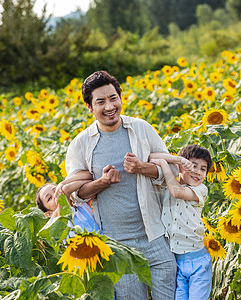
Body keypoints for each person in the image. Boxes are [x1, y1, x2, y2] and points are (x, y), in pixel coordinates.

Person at [64, 70, 176, 300]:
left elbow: (171, 172)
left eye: (113, 98)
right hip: (116, 245)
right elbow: (75, 195)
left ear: (120, 98)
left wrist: (142, 168)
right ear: (89, 107)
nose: (109, 106)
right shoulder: (81, 144)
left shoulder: (141, 128)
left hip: (155, 235)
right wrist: (102, 182)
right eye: (100, 101)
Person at [149, 144, 213, 300]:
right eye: (193, 165)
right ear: (181, 166)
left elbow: (177, 192)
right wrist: (174, 160)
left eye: (203, 169)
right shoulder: (166, 186)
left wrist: (164, 164)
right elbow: (151, 157)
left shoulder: (200, 190)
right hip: (176, 264)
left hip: (198, 263)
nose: (197, 172)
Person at [35, 171, 101, 234]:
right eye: (49, 198)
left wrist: (64, 183)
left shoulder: (81, 207)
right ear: (49, 214)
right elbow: (65, 193)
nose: (55, 195)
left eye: (55, 190)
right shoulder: (56, 223)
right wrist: (66, 189)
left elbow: (89, 175)